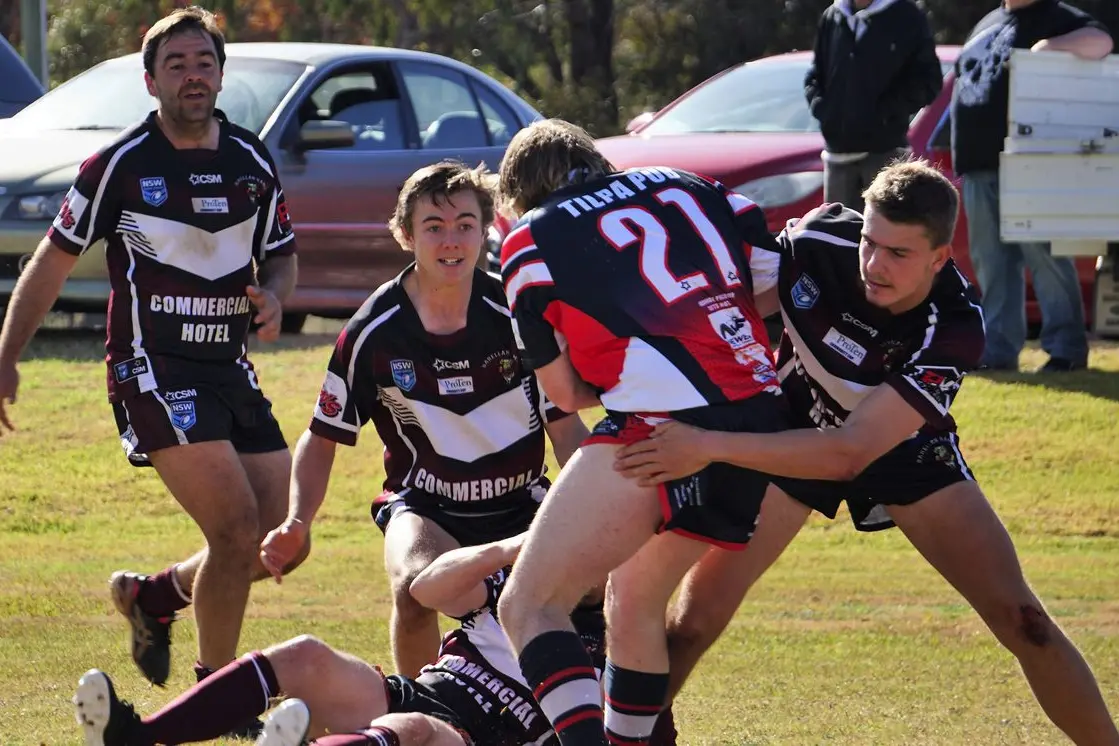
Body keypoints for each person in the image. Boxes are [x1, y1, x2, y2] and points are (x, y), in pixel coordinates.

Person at [614, 160, 1119, 744]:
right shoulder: (813, 241)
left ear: (939, 257)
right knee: (692, 624)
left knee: (1025, 622)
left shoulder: (954, 326)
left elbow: (851, 452)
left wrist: (704, 446)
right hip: (793, 433)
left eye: (899, 254)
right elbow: (701, 292)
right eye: (870, 243)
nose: (876, 266)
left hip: (898, 447)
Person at [0, 3, 306, 714]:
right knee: (233, 530)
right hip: (152, 368)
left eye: (203, 62)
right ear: (150, 81)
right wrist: (7, 354)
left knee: (276, 541)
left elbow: (283, 252)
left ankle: (154, 596)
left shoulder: (251, 158)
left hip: (229, 368)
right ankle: (219, 698)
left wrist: (276, 297)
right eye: (176, 65)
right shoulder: (121, 166)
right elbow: (50, 262)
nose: (192, 76)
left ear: (221, 75)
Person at [495, 118, 790, 746]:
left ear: (517, 192)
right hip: (758, 422)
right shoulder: (691, 183)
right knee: (631, 602)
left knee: (527, 605)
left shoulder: (528, 240)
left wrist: (625, 353)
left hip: (661, 425)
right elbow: (770, 288)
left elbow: (566, 394)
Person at [254, 160, 589, 679]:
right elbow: (323, 437)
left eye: (464, 226)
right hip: (425, 506)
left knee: (593, 587)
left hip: (521, 501)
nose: (450, 241)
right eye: (433, 227)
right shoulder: (374, 330)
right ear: (405, 235)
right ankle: (417, 715)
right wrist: (298, 521)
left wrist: (598, 505)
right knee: (414, 589)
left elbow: (566, 428)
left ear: (487, 232)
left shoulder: (518, 315)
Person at [72, 530, 611, 746]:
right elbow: (427, 590)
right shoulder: (514, 590)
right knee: (307, 654)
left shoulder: (612, 649)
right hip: (422, 689)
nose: (583, 566)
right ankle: (138, 737)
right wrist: (512, 548)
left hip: (482, 739)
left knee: (411, 729)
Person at [952, 0, 1112, 372]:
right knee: (991, 264)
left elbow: (1101, 42)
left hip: (1028, 159)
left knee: (1046, 257)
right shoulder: (989, 19)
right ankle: (998, 351)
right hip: (978, 164)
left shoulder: (1056, 16)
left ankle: (1067, 350)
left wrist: (1049, 48)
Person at [805, 0, 943, 211]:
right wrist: (825, 111)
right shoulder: (833, 16)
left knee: (888, 234)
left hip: (885, 154)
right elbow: (815, 76)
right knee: (838, 238)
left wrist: (884, 114)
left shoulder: (906, 16)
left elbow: (928, 81)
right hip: (837, 158)